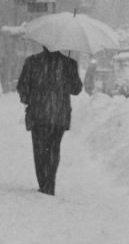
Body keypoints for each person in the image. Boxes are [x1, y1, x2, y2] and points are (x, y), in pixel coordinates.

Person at [17, 47, 83, 195]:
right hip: (59, 115)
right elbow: (76, 89)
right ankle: (50, 183)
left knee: (39, 150)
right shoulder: (69, 63)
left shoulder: (32, 62)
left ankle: (43, 183)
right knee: (54, 149)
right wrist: (70, 73)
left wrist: (29, 99)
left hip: (38, 115)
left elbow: (22, 87)